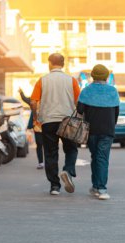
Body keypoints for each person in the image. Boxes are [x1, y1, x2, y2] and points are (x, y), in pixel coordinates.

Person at [31, 53, 80, 195]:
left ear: (50, 63)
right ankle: (68, 170)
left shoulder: (42, 80)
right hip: (68, 120)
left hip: (48, 121)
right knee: (71, 149)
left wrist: (36, 117)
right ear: (63, 64)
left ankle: (54, 186)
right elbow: (78, 101)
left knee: (51, 153)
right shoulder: (72, 80)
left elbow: (33, 101)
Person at [77, 64, 120, 200]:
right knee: (102, 157)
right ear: (106, 76)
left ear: (93, 75)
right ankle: (100, 188)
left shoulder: (86, 91)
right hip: (107, 130)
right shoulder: (113, 91)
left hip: (91, 131)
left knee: (95, 156)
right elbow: (116, 112)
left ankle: (97, 186)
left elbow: (79, 110)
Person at [19, 88, 44, 169]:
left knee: (48, 145)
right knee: (39, 144)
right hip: (37, 126)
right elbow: (25, 99)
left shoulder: (48, 100)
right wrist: (21, 92)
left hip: (47, 125)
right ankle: (41, 162)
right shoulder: (34, 100)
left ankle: (48, 161)